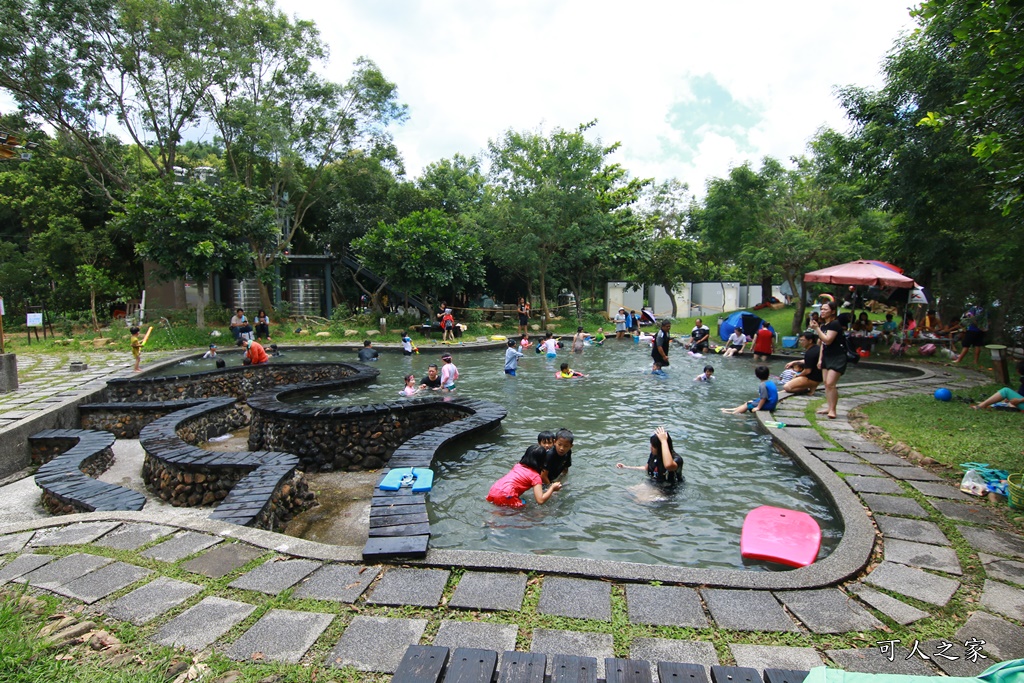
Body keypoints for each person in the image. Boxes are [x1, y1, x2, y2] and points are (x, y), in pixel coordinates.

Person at [486, 446, 561, 508]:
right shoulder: (535, 476)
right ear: (542, 461)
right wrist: (552, 488)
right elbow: (540, 500)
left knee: (499, 507)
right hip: (506, 494)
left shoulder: (517, 465)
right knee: (527, 509)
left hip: (494, 490)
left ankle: (490, 522)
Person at [810, 299, 846, 419]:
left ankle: (833, 410)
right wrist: (820, 359)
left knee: (831, 383)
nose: (822, 311)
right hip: (827, 356)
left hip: (837, 356)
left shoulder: (835, 324)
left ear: (833, 311)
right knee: (826, 383)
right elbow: (822, 345)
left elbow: (828, 340)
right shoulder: (824, 325)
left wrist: (817, 329)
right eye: (821, 309)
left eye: (825, 309)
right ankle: (829, 407)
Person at [615, 427, 683, 485]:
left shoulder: (676, 459)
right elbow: (646, 468)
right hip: (655, 484)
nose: (651, 448)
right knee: (628, 493)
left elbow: (668, 465)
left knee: (640, 499)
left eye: (653, 446)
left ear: (660, 448)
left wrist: (663, 441)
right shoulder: (654, 454)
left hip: (669, 490)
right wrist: (626, 467)